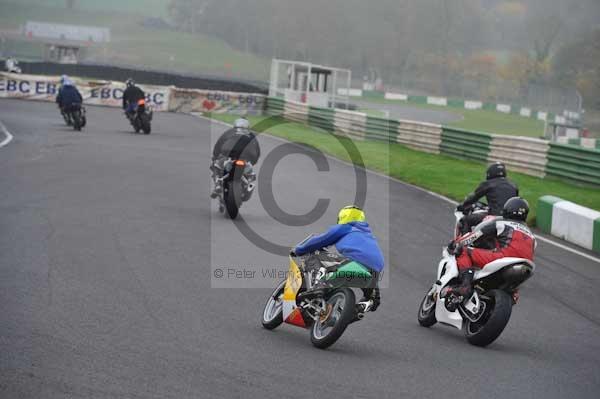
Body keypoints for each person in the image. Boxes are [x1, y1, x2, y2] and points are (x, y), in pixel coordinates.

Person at [291, 205, 385, 312]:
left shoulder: (346, 227)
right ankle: (355, 311)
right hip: (374, 272)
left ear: (343, 217)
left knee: (314, 254)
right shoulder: (370, 236)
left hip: (353, 262)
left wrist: (298, 250)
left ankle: (319, 286)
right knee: (374, 300)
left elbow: (320, 240)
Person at [442, 197, 535, 302]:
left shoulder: (502, 223)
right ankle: (512, 293)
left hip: (503, 257)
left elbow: (475, 235)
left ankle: (465, 286)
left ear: (507, 209)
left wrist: (457, 242)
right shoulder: (531, 234)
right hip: (527, 265)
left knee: (464, 251)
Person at [456, 162, 518, 235]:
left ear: (491, 172)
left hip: (495, 217)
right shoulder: (513, 185)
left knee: (466, 220)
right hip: (511, 220)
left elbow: (473, 197)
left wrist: (462, 206)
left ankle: (463, 244)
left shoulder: (488, 183)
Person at [210, 118, 260, 198]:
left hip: (229, 156)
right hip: (246, 158)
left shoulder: (229, 132)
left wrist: (215, 156)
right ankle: (248, 185)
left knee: (216, 165)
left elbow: (218, 145)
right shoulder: (251, 135)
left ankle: (218, 185)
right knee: (250, 173)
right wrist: (253, 162)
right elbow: (257, 151)